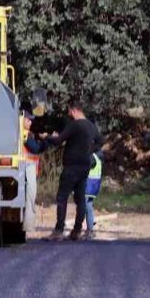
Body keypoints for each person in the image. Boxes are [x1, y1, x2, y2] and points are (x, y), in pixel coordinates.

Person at [46, 102, 102, 241]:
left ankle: (59, 230)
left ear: (75, 110)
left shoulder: (75, 125)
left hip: (71, 166)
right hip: (84, 167)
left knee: (62, 197)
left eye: (70, 111)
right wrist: (90, 150)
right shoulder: (90, 126)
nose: (69, 114)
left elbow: (59, 140)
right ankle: (77, 230)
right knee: (80, 199)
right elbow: (101, 141)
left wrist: (46, 137)